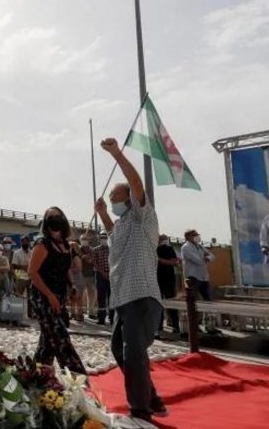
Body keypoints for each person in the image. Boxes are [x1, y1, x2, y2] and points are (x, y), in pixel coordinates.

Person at [95, 137, 167, 422]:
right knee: (119, 348)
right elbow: (113, 235)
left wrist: (117, 155)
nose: (113, 204)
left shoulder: (142, 217)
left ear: (130, 200)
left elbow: (136, 183)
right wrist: (103, 214)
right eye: (111, 202)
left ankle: (140, 410)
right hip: (123, 298)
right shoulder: (123, 224)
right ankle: (151, 397)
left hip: (141, 296)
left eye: (115, 201)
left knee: (134, 352)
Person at [28, 207, 86, 374]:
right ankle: (80, 379)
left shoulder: (66, 246)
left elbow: (66, 270)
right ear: (46, 223)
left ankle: (36, 375)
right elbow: (32, 272)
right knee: (61, 339)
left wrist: (72, 286)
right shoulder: (42, 244)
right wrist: (50, 296)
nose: (55, 220)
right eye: (50, 217)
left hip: (59, 296)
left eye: (57, 216)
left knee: (48, 343)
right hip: (42, 296)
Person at [83, 231, 112, 325]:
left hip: (112, 275)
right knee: (101, 297)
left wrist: (110, 273)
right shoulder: (95, 250)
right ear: (99, 239)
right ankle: (101, 318)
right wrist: (103, 272)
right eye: (102, 238)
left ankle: (112, 318)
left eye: (105, 237)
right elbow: (93, 262)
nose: (104, 239)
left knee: (112, 297)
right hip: (100, 275)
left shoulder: (112, 249)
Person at [156, 234, 181, 335]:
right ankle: (159, 326)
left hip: (169, 279)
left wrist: (161, 260)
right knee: (158, 304)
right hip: (157, 279)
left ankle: (175, 325)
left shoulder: (169, 248)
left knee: (172, 303)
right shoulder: (153, 248)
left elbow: (175, 262)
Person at [79, 232, 98, 320]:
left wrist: (90, 259)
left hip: (90, 274)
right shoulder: (77, 249)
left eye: (85, 239)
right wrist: (82, 257)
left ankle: (91, 312)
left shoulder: (92, 249)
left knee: (92, 294)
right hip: (80, 274)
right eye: (83, 239)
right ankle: (81, 311)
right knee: (81, 293)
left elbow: (94, 260)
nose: (84, 241)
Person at [68, 244, 86, 322]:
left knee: (78, 297)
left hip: (77, 279)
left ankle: (80, 314)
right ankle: (72, 313)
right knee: (72, 297)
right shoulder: (68, 257)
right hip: (70, 278)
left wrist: (68, 270)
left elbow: (78, 268)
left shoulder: (76, 257)